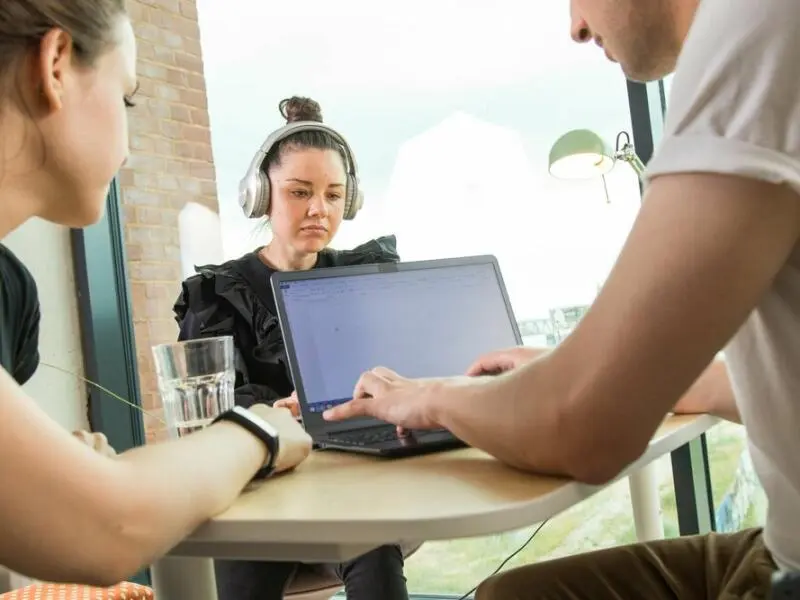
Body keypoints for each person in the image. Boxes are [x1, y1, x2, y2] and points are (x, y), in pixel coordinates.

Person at [323, 0, 800, 597]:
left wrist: (435, 397)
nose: (574, 26)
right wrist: (578, 370)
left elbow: (583, 430)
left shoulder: (756, 29)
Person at [0, 0, 312, 588]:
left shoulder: (9, 291)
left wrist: (55, 469)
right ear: (56, 65)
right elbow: (99, 528)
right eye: (127, 98)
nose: (127, 145)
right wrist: (261, 431)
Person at [174, 95, 410, 600]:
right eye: (299, 192)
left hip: (349, 481)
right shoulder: (217, 294)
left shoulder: (360, 278)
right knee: (245, 570)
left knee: (373, 548)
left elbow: (399, 377)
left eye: (333, 194)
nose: (318, 210)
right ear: (262, 196)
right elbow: (212, 414)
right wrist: (270, 415)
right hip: (258, 490)